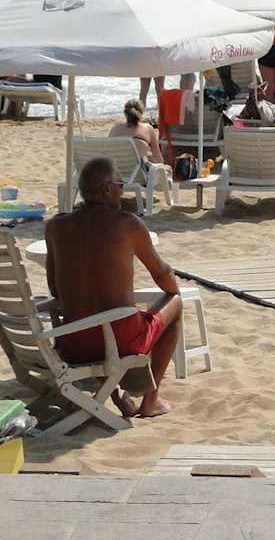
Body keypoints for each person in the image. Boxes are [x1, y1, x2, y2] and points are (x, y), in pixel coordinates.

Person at [44, 157, 183, 419]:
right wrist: (174, 288)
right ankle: (150, 401)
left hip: (71, 342)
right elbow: (162, 274)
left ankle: (118, 395)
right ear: (107, 189)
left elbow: (54, 290)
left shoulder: (55, 226)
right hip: (119, 341)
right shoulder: (127, 224)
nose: (122, 191)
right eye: (121, 185)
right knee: (175, 303)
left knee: (98, 319)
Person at [106, 98, 162, 168]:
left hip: (118, 171)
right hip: (140, 172)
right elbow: (158, 159)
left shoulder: (115, 129)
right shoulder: (148, 128)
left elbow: (109, 154)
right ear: (142, 112)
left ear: (125, 113)